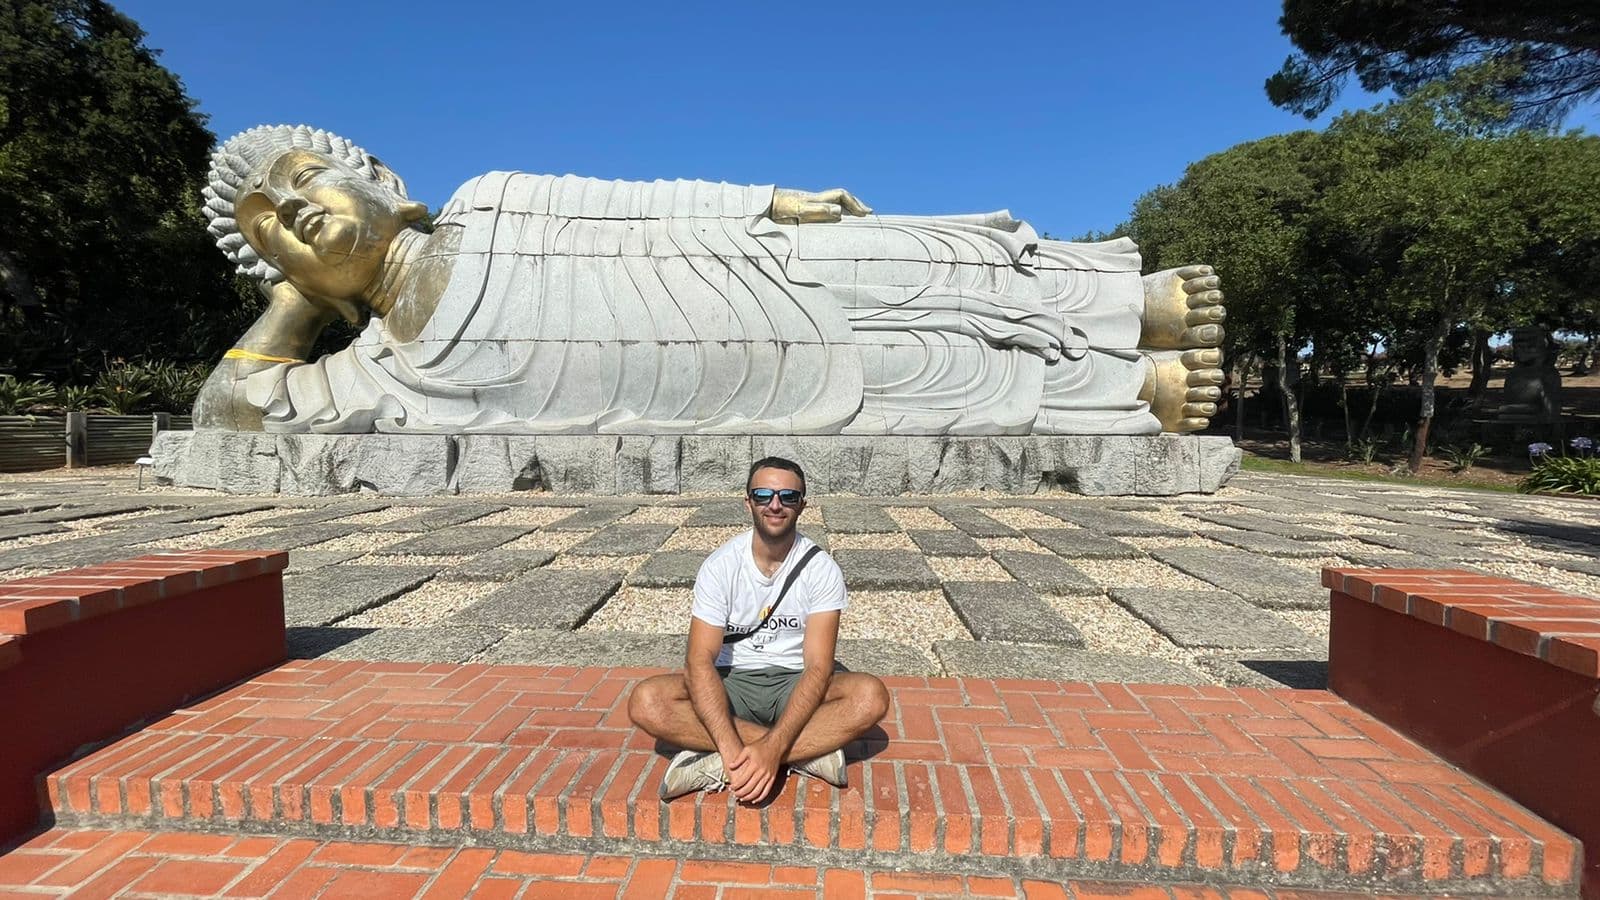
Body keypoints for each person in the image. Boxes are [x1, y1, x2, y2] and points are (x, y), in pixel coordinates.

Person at [193, 125, 1226, 436]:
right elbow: (235, 412)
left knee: (886, 260)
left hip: (707, 266)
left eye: (302, 186)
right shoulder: (384, 372)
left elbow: (635, 199)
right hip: (711, 383)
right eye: (271, 230)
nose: (297, 216)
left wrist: (768, 199)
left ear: (381, 180)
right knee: (912, 379)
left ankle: (1120, 303)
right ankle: (1129, 388)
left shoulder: (492, 194)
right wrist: (302, 297)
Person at [626, 457, 890, 802]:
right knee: (646, 702)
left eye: (788, 497)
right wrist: (737, 746)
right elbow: (700, 661)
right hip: (731, 680)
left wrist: (773, 748)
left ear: (802, 506)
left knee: (871, 697)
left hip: (792, 680)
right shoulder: (721, 566)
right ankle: (805, 755)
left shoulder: (822, 569)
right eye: (763, 495)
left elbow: (818, 666)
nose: (775, 505)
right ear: (748, 502)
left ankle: (730, 763)